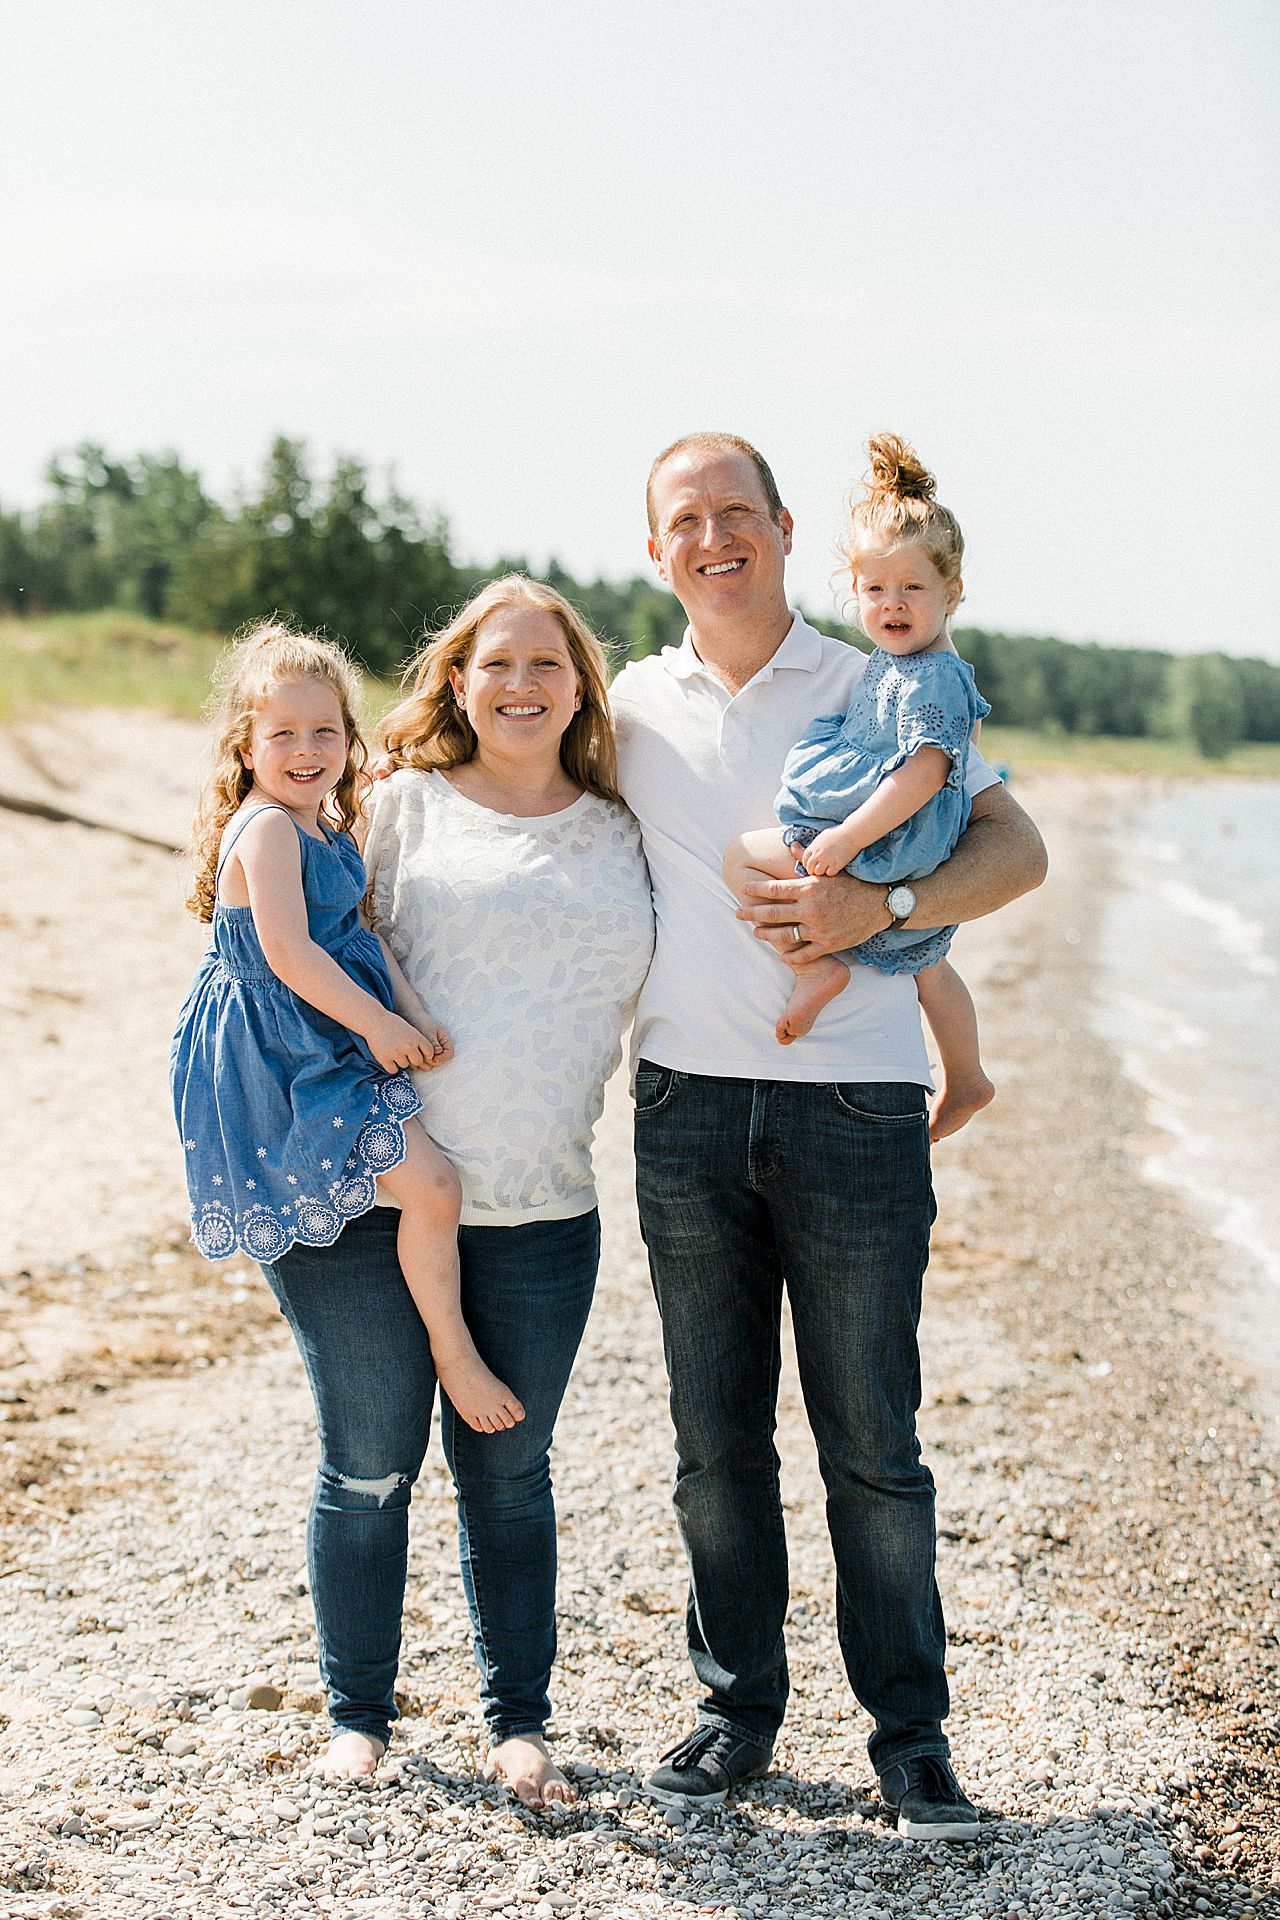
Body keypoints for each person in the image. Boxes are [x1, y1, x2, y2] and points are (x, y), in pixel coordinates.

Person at [610, 432, 1047, 1840]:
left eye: (738, 512)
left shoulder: (883, 671)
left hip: (856, 1111)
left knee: (872, 1441)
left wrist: (892, 916)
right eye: (688, 519)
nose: (715, 537)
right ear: (658, 547)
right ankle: (736, 1715)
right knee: (714, 1442)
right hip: (682, 1110)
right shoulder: (622, 705)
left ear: (788, 529)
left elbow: (1017, 851)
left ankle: (912, 1745)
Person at [256, 578, 654, 1802]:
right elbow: (281, 950)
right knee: (371, 1466)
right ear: (458, 683)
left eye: (547, 663)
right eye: (497, 664)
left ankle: (515, 1723)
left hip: (544, 1206)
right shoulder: (391, 807)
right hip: (369, 1202)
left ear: (581, 684)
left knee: (511, 1473)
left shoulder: (626, 824)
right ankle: (357, 1715)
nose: (522, 684)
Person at [170, 622, 524, 1433]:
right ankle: (451, 1349)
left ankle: (433, 1332)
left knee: (428, 1190)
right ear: (245, 745)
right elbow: (291, 952)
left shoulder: (319, 820)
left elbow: (355, 933)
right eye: (283, 733)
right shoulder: (264, 829)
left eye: (325, 730)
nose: (307, 748)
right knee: (436, 1189)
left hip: (326, 1029)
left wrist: (412, 1011)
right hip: (284, 1051)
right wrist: (377, 1028)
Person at [722, 432, 994, 1142]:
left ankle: (814, 964)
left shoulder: (931, 676)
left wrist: (845, 837)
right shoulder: (900, 663)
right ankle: (966, 1077)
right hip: (901, 846)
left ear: (952, 595)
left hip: (887, 839)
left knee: (743, 858)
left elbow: (926, 769)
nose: (891, 605)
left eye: (912, 589)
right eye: (875, 589)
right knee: (930, 965)